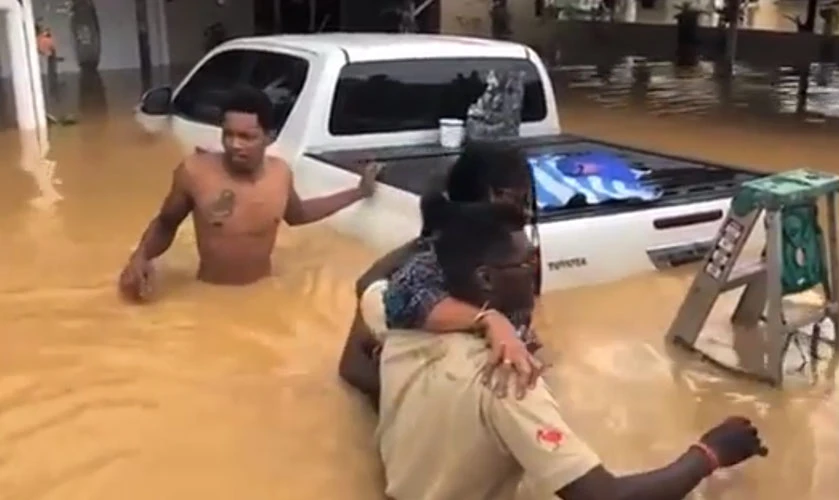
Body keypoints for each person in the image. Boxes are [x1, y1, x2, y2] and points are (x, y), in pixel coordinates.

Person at [377, 198, 769, 500]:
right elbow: (603, 498)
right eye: (527, 261)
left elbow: (355, 359)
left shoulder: (398, 322)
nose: (538, 270)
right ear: (486, 279)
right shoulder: (510, 380)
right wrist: (709, 453)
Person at [119, 85, 379, 300]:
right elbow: (166, 223)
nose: (235, 144)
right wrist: (140, 257)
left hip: (263, 294)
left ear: (269, 137)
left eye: (247, 137)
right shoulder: (195, 172)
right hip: (209, 296)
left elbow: (298, 214)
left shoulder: (280, 173)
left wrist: (358, 192)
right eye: (228, 134)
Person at [338, 142, 541, 407]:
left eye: (528, 201)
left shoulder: (516, 258)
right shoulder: (415, 269)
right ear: (489, 197)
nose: (527, 212)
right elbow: (353, 368)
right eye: (518, 200)